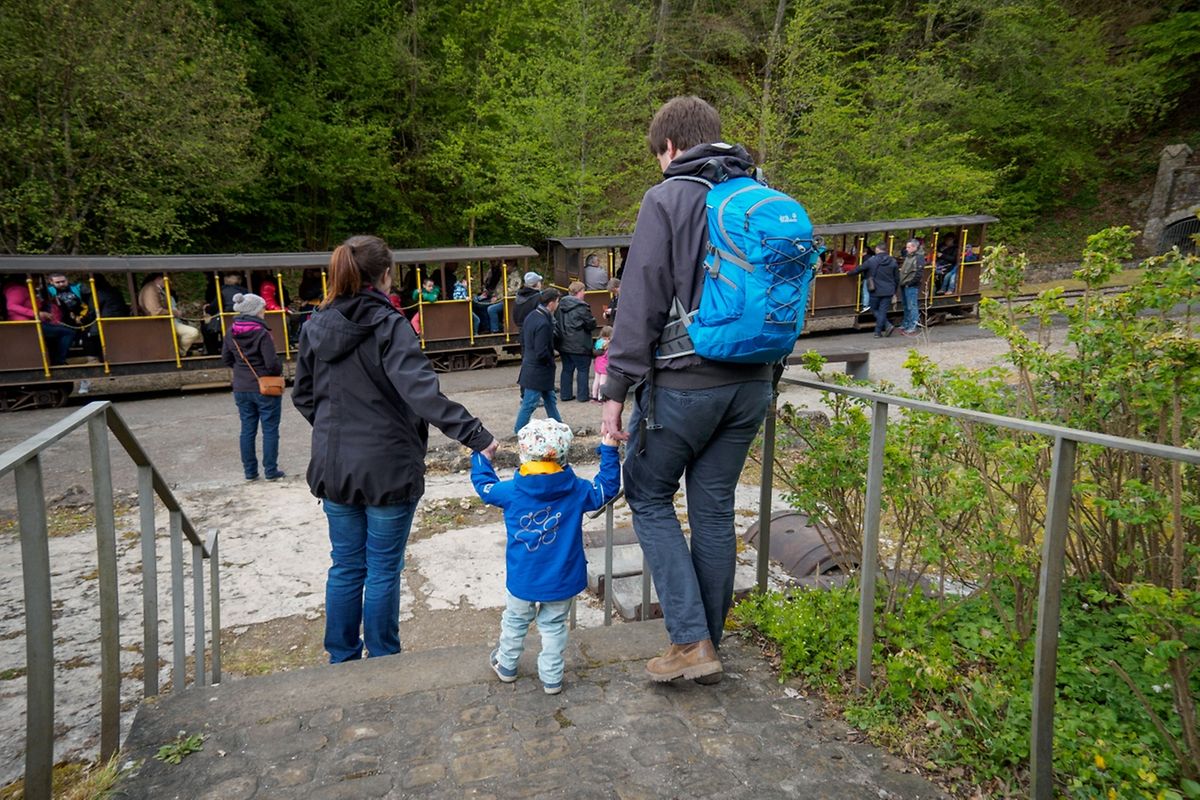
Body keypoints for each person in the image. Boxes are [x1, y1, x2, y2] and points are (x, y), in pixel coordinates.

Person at [599, 95, 776, 685]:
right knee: (714, 509)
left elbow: (641, 298)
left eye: (659, 155)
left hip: (684, 384)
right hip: (752, 382)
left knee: (648, 495)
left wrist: (615, 391)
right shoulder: (759, 193)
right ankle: (707, 643)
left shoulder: (668, 196)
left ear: (670, 147)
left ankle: (691, 641)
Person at [292, 234, 498, 663]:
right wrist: (476, 435)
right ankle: (384, 659)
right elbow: (421, 392)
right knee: (383, 568)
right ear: (385, 275)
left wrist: (336, 433)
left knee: (346, 566)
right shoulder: (390, 324)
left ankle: (341, 657)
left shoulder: (314, 326)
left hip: (335, 467)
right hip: (388, 467)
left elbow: (305, 396)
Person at [471, 418, 621, 694]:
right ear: (563, 456)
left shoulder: (511, 492)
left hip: (523, 577)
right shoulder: (577, 490)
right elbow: (606, 489)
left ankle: (506, 664)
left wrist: (482, 459)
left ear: (524, 454)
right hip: (563, 578)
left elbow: (484, 487)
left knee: (515, 620)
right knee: (553, 626)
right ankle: (551, 678)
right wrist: (609, 449)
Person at [220, 292, 285, 482]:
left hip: (241, 387)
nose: (264, 311)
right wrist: (277, 370)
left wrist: (241, 371)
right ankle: (271, 471)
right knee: (270, 429)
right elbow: (272, 364)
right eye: (263, 308)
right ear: (256, 311)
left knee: (247, 430)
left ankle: (250, 472)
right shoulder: (262, 333)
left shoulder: (231, 331)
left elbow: (226, 358)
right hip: (265, 387)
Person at [514, 287, 563, 434]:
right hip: (538, 370)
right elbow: (541, 351)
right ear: (551, 303)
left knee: (550, 399)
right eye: (557, 301)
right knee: (530, 403)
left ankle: (559, 427)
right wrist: (551, 359)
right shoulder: (544, 323)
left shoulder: (532, 315)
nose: (558, 305)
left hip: (531, 365)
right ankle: (519, 431)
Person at [3, 276, 74, 365]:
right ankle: (59, 361)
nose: (37, 283)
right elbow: (11, 306)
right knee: (68, 332)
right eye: (36, 280)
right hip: (25, 325)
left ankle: (53, 359)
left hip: (31, 322)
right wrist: (37, 313)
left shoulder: (25, 290)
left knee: (59, 330)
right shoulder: (17, 290)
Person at [138, 273, 201, 353]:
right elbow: (156, 312)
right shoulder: (150, 289)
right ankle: (179, 352)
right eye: (167, 279)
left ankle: (179, 351)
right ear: (159, 278)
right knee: (192, 333)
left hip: (164, 321)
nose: (169, 282)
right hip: (160, 323)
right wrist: (175, 313)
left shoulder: (153, 288)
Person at [555, 281, 595, 402]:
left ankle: (565, 394)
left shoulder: (560, 305)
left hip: (564, 343)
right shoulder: (582, 307)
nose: (584, 293)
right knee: (583, 370)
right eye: (583, 291)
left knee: (567, 369)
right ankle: (582, 396)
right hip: (579, 343)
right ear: (579, 292)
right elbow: (590, 324)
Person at [850, 243, 899, 337]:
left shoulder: (872, 260)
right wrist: (894, 291)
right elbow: (897, 278)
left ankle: (885, 327)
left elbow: (859, 269)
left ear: (877, 250)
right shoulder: (893, 261)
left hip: (875, 289)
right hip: (888, 290)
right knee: (883, 311)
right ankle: (878, 332)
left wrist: (849, 273)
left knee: (873, 309)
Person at [897, 239, 924, 335]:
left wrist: (910, 283)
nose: (906, 249)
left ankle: (913, 325)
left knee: (912, 306)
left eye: (908, 247)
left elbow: (918, 273)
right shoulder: (909, 256)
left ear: (914, 247)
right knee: (906, 306)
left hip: (910, 285)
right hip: (905, 284)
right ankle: (906, 323)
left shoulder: (918, 258)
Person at [591, 325, 612, 402]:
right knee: (602, 382)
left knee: (596, 380)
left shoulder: (598, 342)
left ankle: (594, 396)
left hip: (597, 363)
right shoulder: (609, 344)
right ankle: (601, 397)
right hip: (604, 365)